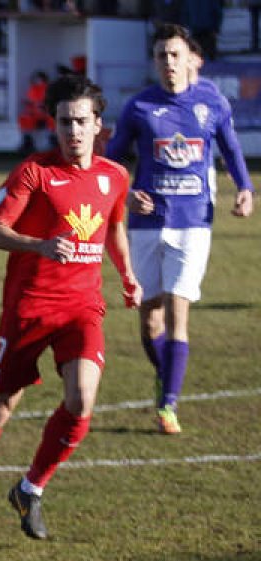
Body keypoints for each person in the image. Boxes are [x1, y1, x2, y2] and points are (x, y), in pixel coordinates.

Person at [0, 74, 142, 542]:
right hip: (28, 308)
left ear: (98, 125)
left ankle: (30, 490)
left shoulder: (114, 176)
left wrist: (128, 275)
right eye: (64, 122)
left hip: (82, 307)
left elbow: (112, 228)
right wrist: (39, 245)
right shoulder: (34, 172)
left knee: (81, 399)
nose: (72, 131)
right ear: (55, 124)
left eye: (81, 121)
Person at [103, 23, 253, 435]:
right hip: (146, 224)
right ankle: (165, 372)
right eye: (161, 55)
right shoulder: (139, 107)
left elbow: (231, 148)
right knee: (149, 321)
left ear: (191, 60)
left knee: (176, 310)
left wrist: (245, 188)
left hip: (194, 221)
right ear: (154, 61)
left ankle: (168, 406)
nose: (168, 62)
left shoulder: (212, 102)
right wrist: (126, 196)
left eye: (175, 54)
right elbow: (112, 164)